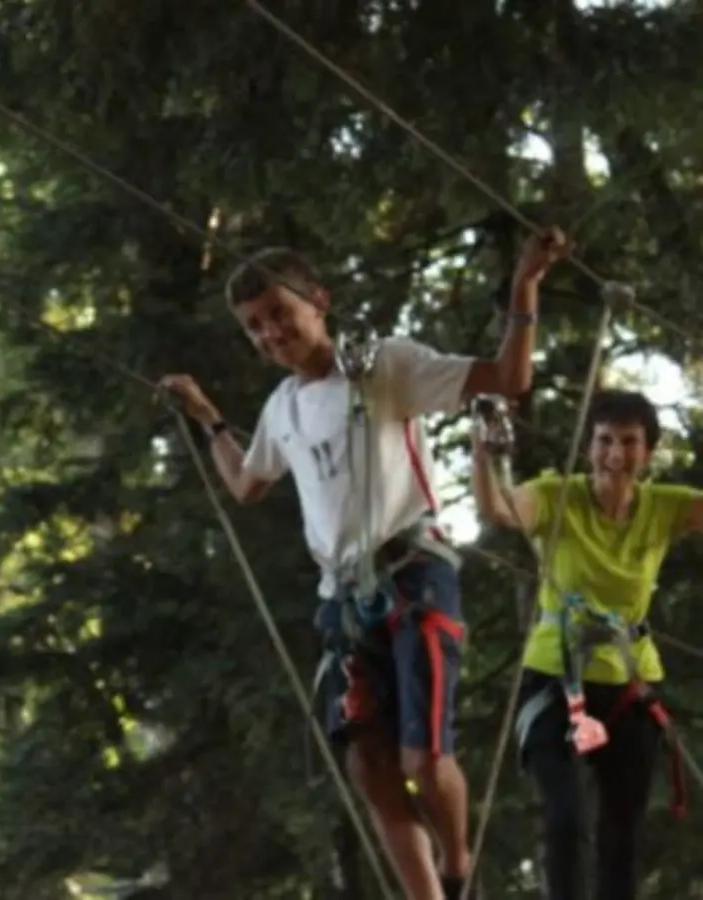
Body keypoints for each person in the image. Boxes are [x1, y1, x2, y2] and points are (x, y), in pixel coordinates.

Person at [159, 229, 569, 900]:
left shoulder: (385, 366)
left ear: (319, 301)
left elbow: (508, 378)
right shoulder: (282, 408)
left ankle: (456, 864)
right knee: (371, 767)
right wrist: (208, 418)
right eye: (254, 326)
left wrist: (525, 285)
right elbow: (246, 483)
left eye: (280, 314)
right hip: (343, 600)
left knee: (422, 760)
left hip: (413, 573)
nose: (271, 334)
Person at [471, 388, 702, 900]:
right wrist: (484, 452)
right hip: (556, 676)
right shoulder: (557, 497)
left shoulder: (663, 508)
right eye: (604, 440)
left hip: (630, 681)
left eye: (629, 442)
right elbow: (499, 508)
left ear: (647, 452)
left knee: (622, 833)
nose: (615, 454)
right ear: (588, 446)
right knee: (566, 817)